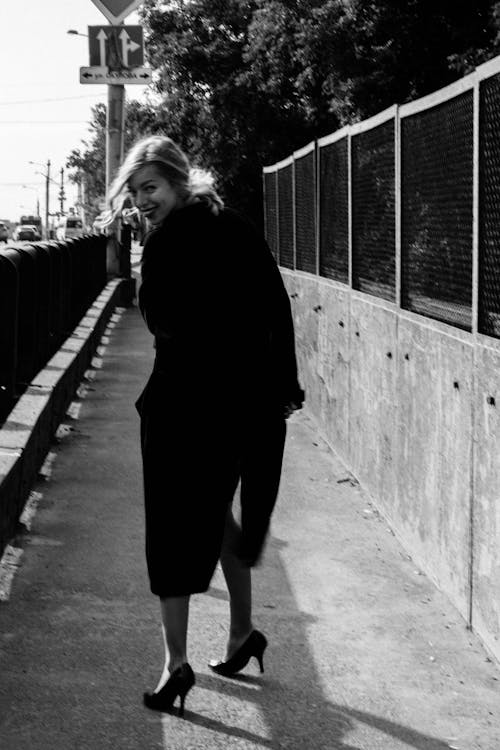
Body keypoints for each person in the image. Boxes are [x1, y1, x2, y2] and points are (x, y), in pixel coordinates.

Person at [105, 135, 304, 717]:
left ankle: (174, 666)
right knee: (217, 516)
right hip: (241, 406)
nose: (143, 201)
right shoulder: (234, 224)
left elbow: (163, 322)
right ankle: (242, 633)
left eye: (151, 189)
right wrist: (284, 386)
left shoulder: (167, 243)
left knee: (170, 530)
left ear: (177, 180)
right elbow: (276, 303)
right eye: (136, 192)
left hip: (183, 409)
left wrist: (147, 262)